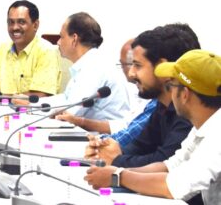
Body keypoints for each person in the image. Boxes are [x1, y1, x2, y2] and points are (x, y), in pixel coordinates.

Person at [85, 49, 221, 204]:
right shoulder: (202, 126)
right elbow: (170, 166)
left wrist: (118, 177)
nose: (169, 92)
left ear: (184, 94)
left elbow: (175, 186)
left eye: (171, 85)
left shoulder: (217, 136)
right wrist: (116, 172)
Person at [84, 24, 198, 168]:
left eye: (137, 65)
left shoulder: (189, 110)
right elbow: (140, 146)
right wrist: (104, 152)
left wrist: (116, 160)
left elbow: (165, 162)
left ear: (162, 67)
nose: (131, 73)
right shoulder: (162, 105)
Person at [56, 38, 150, 137]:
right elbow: (125, 126)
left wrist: (80, 122)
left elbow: (128, 132)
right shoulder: (134, 86)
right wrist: (81, 123)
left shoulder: (96, 67)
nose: (131, 73)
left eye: (137, 65)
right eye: (122, 64)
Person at [48, 12, 131, 121]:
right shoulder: (90, 62)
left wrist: (42, 110)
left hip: (104, 131)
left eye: (61, 37)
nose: (58, 42)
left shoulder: (94, 67)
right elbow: (66, 99)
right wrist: (33, 104)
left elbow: (71, 113)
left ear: (74, 39)